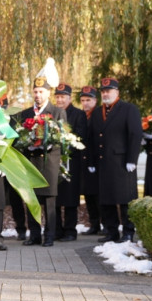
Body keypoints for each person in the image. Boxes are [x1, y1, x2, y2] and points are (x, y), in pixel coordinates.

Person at [13, 74, 65, 247]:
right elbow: (17, 138)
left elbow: (63, 138)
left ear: (48, 93)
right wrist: (27, 144)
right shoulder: (25, 114)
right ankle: (34, 235)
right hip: (31, 163)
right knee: (31, 200)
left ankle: (49, 236)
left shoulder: (57, 112)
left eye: (41, 92)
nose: (38, 95)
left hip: (49, 163)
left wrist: (49, 144)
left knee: (50, 201)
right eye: (35, 91)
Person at [87, 77, 141, 243]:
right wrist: (91, 161)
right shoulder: (97, 112)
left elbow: (135, 134)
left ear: (117, 92)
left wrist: (132, 159)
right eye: (103, 91)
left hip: (122, 163)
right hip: (104, 163)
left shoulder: (128, 109)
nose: (105, 94)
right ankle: (111, 232)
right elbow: (91, 138)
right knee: (106, 200)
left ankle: (128, 232)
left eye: (108, 91)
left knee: (125, 199)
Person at [53, 83, 86, 241]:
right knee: (56, 197)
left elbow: (81, 135)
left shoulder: (79, 114)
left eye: (62, 97)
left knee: (71, 198)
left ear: (69, 98)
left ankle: (71, 231)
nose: (59, 100)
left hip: (72, 161)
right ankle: (57, 230)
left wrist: (66, 145)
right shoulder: (51, 113)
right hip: (54, 162)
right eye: (57, 97)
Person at [78, 85, 102, 234]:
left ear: (95, 100)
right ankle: (94, 224)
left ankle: (104, 223)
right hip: (85, 161)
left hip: (97, 161)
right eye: (83, 100)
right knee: (88, 194)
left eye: (88, 100)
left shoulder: (99, 115)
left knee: (99, 195)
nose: (85, 103)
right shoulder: (82, 116)